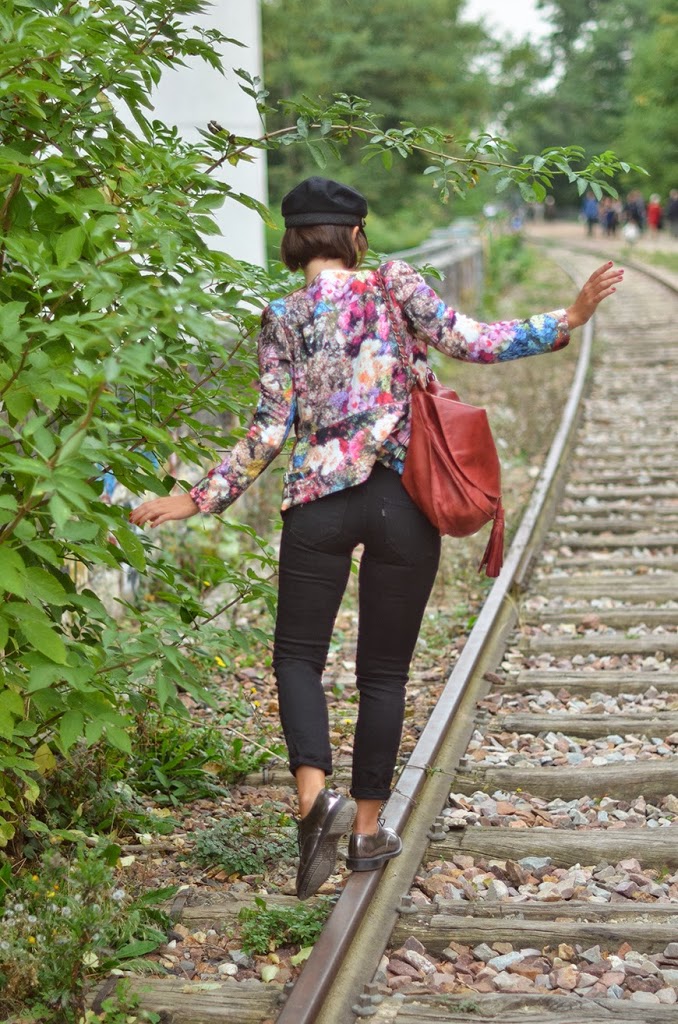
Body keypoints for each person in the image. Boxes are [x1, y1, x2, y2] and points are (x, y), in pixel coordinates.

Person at [130, 177, 623, 900]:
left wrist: (195, 499)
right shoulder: (395, 283)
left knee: (297, 657)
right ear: (356, 235)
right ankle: (364, 833)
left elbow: (268, 431)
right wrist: (566, 317)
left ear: (294, 243)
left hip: (318, 507)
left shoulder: (282, 314)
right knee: (382, 674)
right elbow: (472, 341)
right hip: (402, 501)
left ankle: (312, 804)